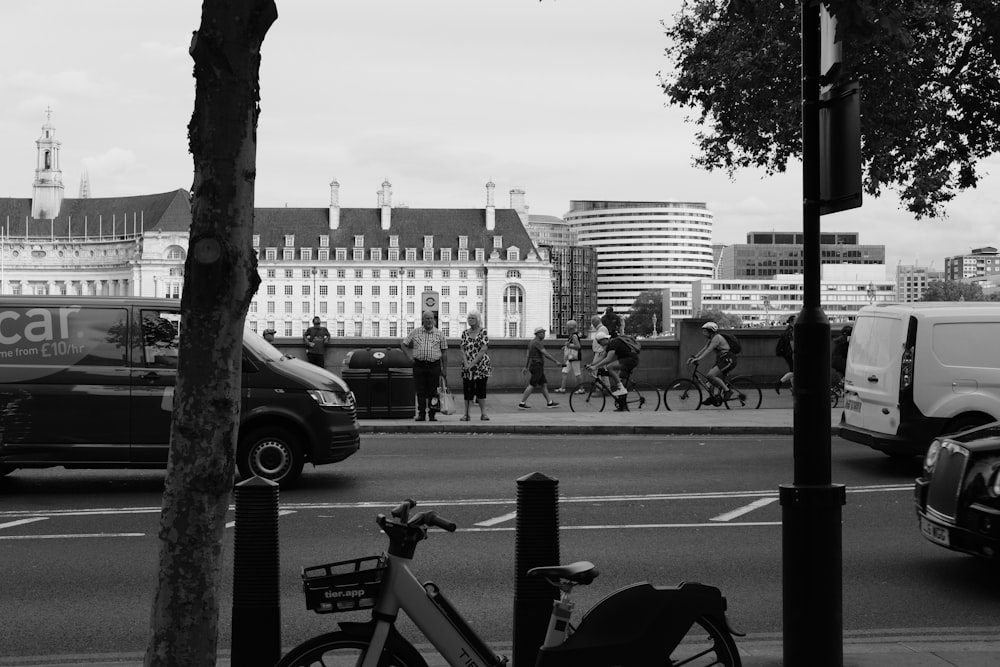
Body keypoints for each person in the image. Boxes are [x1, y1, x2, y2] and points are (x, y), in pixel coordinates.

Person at [401, 310, 448, 422]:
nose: (429, 320)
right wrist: (409, 357)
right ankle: (421, 413)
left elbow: (444, 352)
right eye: (427, 318)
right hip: (419, 365)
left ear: (434, 320)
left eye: (431, 318)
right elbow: (403, 344)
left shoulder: (440, 334)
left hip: (434, 365)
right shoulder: (415, 332)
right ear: (423, 320)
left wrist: (444, 368)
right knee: (420, 390)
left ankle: (432, 414)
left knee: (433, 391)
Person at [588, 330, 640, 410]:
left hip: (630, 359)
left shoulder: (614, 343)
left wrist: (595, 367)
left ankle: (621, 388)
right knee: (619, 379)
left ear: (604, 340)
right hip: (626, 359)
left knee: (610, 367)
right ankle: (622, 405)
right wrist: (592, 364)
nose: (599, 344)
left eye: (599, 342)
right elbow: (602, 357)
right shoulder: (609, 345)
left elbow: (608, 359)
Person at [688, 321, 735, 403]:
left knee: (711, 375)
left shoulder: (717, 338)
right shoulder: (712, 338)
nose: (703, 333)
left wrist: (699, 359)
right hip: (721, 359)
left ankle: (728, 391)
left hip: (728, 359)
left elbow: (709, 350)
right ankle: (712, 398)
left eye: (705, 331)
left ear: (710, 331)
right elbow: (705, 348)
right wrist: (695, 357)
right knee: (709, 380)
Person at [518, 326, 561, 410]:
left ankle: (549, 402)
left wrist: (526, 367)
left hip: (534, 365)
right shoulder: (537, 343)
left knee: (543, 384)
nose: (544, 334)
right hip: (537, 366)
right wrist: (556, 361)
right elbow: (545, 353)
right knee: (532, 384)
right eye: (543, 333)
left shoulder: (531, 343)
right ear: (538, 334)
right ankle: (522, 403)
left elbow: (528, 356)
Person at [459, 311, 491, 421]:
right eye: (469, 318)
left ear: (478, 319)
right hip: (467, 366)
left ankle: (484, 413)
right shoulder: (464, 333)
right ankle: (466, 414)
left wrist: (473, 363)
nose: (470, 320)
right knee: (468, 390)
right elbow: (462, 349)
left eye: (473, 318)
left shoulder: (483, 332)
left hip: (481, 366)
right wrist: (467, 364)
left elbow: (483, 349)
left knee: (481, 390)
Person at [555, 319, 584, 394]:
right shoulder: (574, 335)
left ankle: (581, 389)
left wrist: (568, 346)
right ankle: (563, 388)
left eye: (567, 326)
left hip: (574, 357)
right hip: (571, 356)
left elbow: (578, 346)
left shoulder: (574, 336)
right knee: (565, 371)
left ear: (571, 327)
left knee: (577, 372)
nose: (566, 327)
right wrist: (566, 347)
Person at [775, 315, 795, 393]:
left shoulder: (788, 330)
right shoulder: (791, 331)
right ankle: (779, 383)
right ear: (791, 322)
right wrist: (794, 353)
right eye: (795, 320)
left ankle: (794, 389)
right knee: (794, 371)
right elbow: (792, 344)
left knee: (792, 370)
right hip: (789, 353)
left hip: (786, 353)